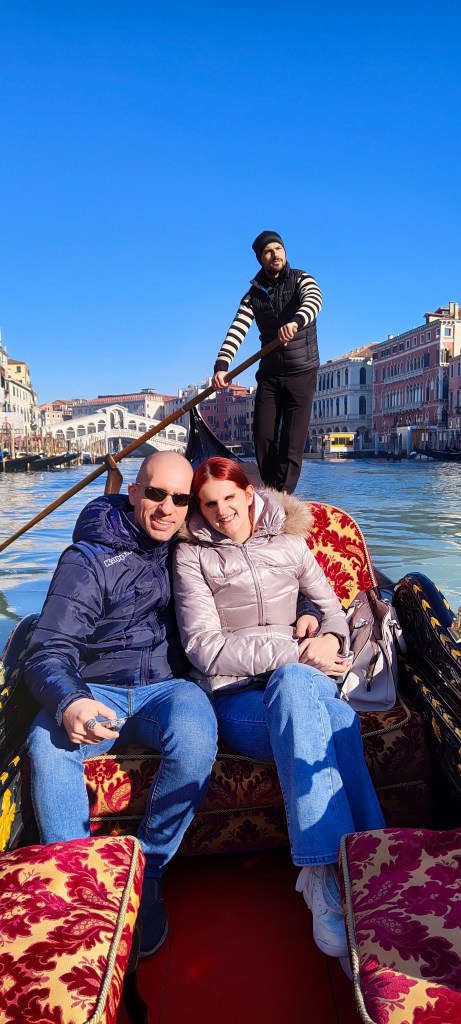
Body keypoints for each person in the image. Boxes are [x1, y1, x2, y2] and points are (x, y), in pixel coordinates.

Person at [172, 457, 385, 966]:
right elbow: (204, 649)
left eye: (230, 497)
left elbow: (332, 610)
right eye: (209, 504)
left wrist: (329, 636)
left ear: (249, 494)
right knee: (332, 714)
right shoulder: (191, 556)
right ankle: (361, 865)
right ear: (200, 509)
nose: (223, 512)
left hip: (303, 685)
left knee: (305, 694)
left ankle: (332, 874)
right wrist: (294, 651)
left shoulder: (291, 543)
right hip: (238, 700)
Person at [23, 451, 219, 958]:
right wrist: (70, 702)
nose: (167, 509)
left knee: (196, 735)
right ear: (133, 493)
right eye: (155, 494)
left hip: (166, 688)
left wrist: (312, 613)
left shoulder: (191, 547)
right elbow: (47, 649)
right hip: (97, 689)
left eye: (180, 499)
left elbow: (259, 558)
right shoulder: (86, 560)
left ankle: (149, 871)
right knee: (47, 744)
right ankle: (77, 880)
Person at [212, 231, 321, 494]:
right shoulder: (252, 296)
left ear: (285, 251)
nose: (275, 254)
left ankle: (284, 497)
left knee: (292, 442)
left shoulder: (302, 279)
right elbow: (236, 330)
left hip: (302, 370)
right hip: (270, 374)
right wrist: (221, 366)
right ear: (261, 259)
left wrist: (295, 322)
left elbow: (314, 301)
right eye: (268, 251)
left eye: (278, 248)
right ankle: (270, 492)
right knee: (262, 436)